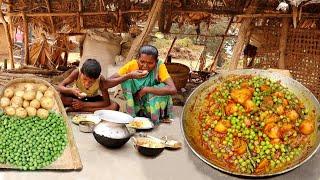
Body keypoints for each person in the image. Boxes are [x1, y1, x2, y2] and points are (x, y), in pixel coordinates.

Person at [106, 45, 177, 125]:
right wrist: (129, 75)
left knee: (163, 87)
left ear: (156, 61)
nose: (145, 66)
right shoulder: (132, 65)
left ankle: (155, 115)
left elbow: (173, 89)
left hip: (151, 104)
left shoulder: (159, 66)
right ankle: (134, 111)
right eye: (142, 62)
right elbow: (107, 83)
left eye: (150, 63)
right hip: (135, 101)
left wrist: (146, 90)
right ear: (137, 59)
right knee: (126, 81)